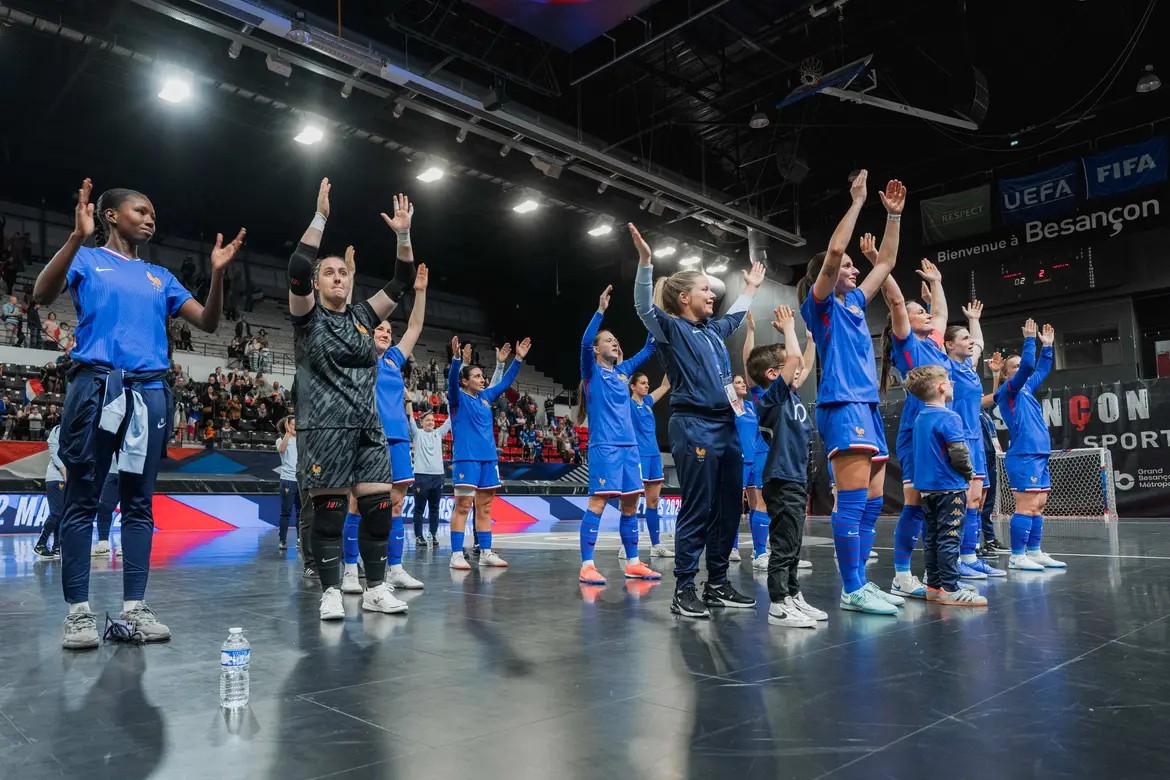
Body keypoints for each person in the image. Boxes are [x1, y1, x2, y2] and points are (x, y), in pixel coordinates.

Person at [33, 178, 244, 649]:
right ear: (110, 214)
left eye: (153, 213)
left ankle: (134, 609)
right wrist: (73, 237)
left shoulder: (160, 277)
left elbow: (208, 322)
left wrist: (217, 274)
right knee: (83, 498)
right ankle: (78, 613)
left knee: (139, 501)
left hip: (149, 393)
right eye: (141, 210)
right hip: (95, 388)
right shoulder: (86, 259)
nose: (150, 218)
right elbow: (41, 296)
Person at [287, 178, 419, 620]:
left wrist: (402, 234)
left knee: (379, 510)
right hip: (324, 428)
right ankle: (329, 592)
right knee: (328, 517)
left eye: (342, 272)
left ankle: (376, 588)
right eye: (330, 272)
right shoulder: (307, 317)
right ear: (317, 282)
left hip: (367, 428)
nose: (338, 277)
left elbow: (401, 280)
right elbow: (298, 263)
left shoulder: (364, 315)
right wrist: (321, 216)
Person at [631, 223, 766, 618]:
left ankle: (718, 583)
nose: (713, 295)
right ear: (685, 297)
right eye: (706, 290)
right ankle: (685, 587)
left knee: (727, 508)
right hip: (693, 426)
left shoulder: (711, 330)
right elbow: (643, 307)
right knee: (699, 506)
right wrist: (645, 264)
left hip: (726, 426)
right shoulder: (670, 329)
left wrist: (752, 288)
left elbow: (736, 317)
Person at [796, 170, 906, 616]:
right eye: (845, 269)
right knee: (856, 497)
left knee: (875, 500)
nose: (852, 268)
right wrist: (858, 202)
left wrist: (893, 217)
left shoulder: (855, 303)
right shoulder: (818, 307)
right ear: (825, 274)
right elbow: (836, 251)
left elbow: (884, 264)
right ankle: (852, 587)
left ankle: (861, 581)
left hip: (868, 407)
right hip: (842, 405)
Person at [338, 250, 428, 595]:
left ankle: (394, 569)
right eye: (380, 327)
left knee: (395, 504)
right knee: (357, 503)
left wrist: (419, 292)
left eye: (390, 329)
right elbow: (345, 317)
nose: (386, 332)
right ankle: (349, 570)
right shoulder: (358, 353)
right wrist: (351, 277)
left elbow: (416, 327)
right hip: (365, 436)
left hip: (398, 439)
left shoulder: (393, 359)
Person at [872, 251, 950, 600]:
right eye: (922, 311)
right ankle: (901, 575)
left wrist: (936, 283)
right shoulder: (908, 348)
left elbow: (943, 314)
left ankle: (939, 571)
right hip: (918, 432)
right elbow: (898, 302)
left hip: (942, 429)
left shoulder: (934, 343)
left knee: (937, 504)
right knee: (915, 503)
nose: (927, 314)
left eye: (926, 310)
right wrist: (883, 266)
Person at [575, 284, 662, 586]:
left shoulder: (624, 372)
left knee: (630, 505)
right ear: (598, 350)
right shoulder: (591, 372)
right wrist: (600, 310)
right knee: (598, 503)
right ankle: (587, 564)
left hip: (630, 449)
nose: (614, 343)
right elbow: (585, 343)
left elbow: (650, 348)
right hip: (605, 447)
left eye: (615, 340)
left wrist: (656, 315)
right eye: (607, 341)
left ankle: (634, 563)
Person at [747, 306, 827, 626]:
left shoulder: (790, 395)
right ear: (772, 375)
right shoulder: (771, 399)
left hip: (796, 478)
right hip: (781, 479)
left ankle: (793, 594)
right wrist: (789, 330)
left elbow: (800, 364)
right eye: (785, 367)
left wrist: (811, 342)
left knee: (793, 543)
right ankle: (778, 603)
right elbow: (794, 363)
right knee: (783, 545)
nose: (796, 369)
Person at [905, 365, 987, 606]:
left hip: (928, 489)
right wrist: (969, 473)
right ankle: (950, 588)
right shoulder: (950, 417)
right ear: (941, 387)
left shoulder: (921, 417)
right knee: (950, 538)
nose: (952, 383)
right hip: (950, 488)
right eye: (949, 381)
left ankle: (934, 585)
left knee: (931, 537)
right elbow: (958, 453)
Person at [447, 334, 530, 570]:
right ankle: (455, 554)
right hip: (466, 459)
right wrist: (456, 360)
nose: (482, 380)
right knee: (463, 507)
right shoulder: (456, 398)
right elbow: (452, 380)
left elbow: (504, 383)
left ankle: (485, 552)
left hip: (488, 459)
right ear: (465, 381)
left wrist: (518, 360)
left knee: (485, 507)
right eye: (476, 376)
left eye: (482, 376)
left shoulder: (485, 397)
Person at [995, 320, 1065, 571]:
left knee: (1039, 505)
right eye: (1012, 367)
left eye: (1018, 366)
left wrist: (1047, 347)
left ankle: (1034, 552)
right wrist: (1028, 341)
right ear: (1005, 374)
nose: (1020, 369)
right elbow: (1027, 366)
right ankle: (1017, 556)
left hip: (1039, 453)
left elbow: (1041, 370)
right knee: (1026, 505)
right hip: (1023, 454)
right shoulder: (1008, 391)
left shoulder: (1025, 390)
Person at [943, 300, 1005, 579]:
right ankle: (957, 558)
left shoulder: (969, 365)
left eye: (968, 338)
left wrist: (973, 319)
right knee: (966, 501)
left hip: (977, 439)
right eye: (963, 338)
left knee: (978, 501)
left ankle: (970, 556)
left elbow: (979, 341)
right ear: (949, 345)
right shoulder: (947, 366)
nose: (970, 342)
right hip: (960, 438)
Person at [628, 370, 672, 560]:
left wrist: (672, 358)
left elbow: (665, 386)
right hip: (638, 456)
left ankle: (656, 545)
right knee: (632, 503)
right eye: (643, 383)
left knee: (653, 502)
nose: (647, 386)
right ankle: (627, 546)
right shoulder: (627, 404)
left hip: (654, 456)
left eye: (647, 383)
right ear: (633, 386)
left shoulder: (647, 402)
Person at [407, 398, 451, 546]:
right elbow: (410, 419)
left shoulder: (438, 434)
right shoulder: (417, 433)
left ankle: (433, 535)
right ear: (422, 422)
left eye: (432, 420)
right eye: (427, 420)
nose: (431, 422)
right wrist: (408, 401)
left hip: (438, 476)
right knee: (419, 508)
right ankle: (419, 536)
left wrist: (453, 403)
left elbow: (450, 421)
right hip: (421, 476)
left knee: (434, 508)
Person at [35, 424, 66, 559]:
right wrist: (65, 475)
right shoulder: (58, 429)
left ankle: (56, 547)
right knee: (56, 513)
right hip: (56, 478)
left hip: (65, 478)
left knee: (61, 514)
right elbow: (54, 454)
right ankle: (40, 544)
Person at [277, 415, 300, 551]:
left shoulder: (301, 441)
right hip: (287, 480)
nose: (295, 427)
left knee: (300, 512)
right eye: (293, 424)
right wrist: (287, 433)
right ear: (287, 425)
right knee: (286, 512)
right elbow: (282, 449)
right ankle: (282, 540)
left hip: (300, 480)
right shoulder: (280, 440)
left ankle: (299, 539)